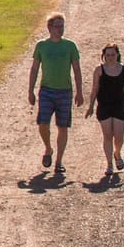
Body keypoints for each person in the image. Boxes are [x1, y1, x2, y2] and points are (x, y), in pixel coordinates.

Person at [26, 12, 83, 175]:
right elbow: (35, 69)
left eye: (62, 26)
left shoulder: (70, 46)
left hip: (65, 91)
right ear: (49, 28)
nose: (60, 29)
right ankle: (48, 148)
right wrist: (30, 91)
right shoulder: (42, 46)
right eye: (57, 26)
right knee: (43, 123)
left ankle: (59, 161)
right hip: (47, 90)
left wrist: (79, 92)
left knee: (63, 126)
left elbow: (77, 69)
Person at [85, 43, 124, 177]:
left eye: (113, 55)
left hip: (119, 106)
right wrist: (91, 106)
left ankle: (117, 153)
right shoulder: (99, 70)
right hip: (104, 106)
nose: (110, 58)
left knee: (119, 137)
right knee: (108, 136)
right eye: (108, 55)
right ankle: (109, 164)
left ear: (117, 55)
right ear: (104, 56)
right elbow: (94, 90)